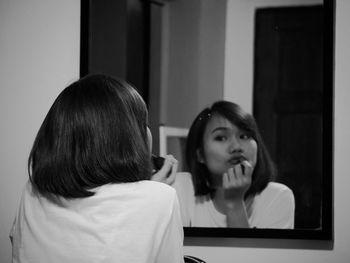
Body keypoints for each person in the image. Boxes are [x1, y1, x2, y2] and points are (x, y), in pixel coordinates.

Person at [10, 74, 184, 263]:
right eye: (143, 124)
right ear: (128, 139)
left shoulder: (32, 191)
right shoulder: (162, 199)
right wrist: (154, 192)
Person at [173, 100, 295, 228]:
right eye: (221, 138)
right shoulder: (182, 188)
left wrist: (234, 203)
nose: (236, 147)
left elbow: (243, 249)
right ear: (200, 155)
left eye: (245, 136)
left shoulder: (277, 197)